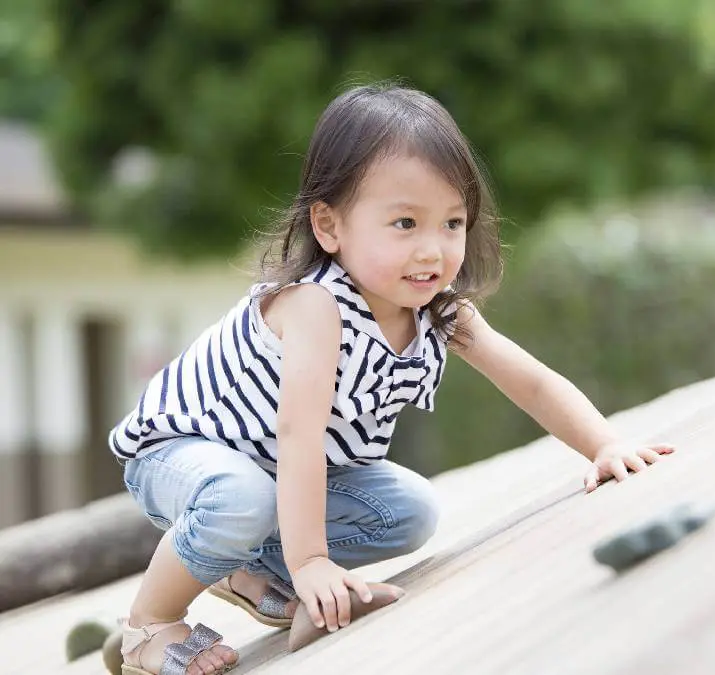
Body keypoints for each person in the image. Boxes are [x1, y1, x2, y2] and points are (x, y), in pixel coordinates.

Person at [110, 82, 674, 675]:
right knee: (238, 498)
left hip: (275, 473)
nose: (433, 250)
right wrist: (311, 564)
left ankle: (246, 567)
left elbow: (530, 381)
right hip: (181, 454)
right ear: (329, 227)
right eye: (405, 223)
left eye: (452, 223)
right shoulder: (315, 308)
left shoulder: (441, 312)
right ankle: (148, 625)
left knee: (409, 512)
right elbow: (299, 435)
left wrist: (604, 445)